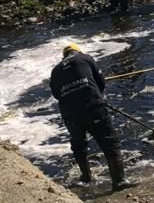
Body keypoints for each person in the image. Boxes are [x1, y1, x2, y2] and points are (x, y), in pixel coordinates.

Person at [49, 43, 136, 191]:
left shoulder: (55, 70)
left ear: (64, 56)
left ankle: (86, 177)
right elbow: (100, 82)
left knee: (79, 145)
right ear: (77, 51)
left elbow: (57, 94)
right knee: (110, 142)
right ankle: (119, 181)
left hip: (70, 114)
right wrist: (98, 98)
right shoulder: (85, 58)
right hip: (93, 107)